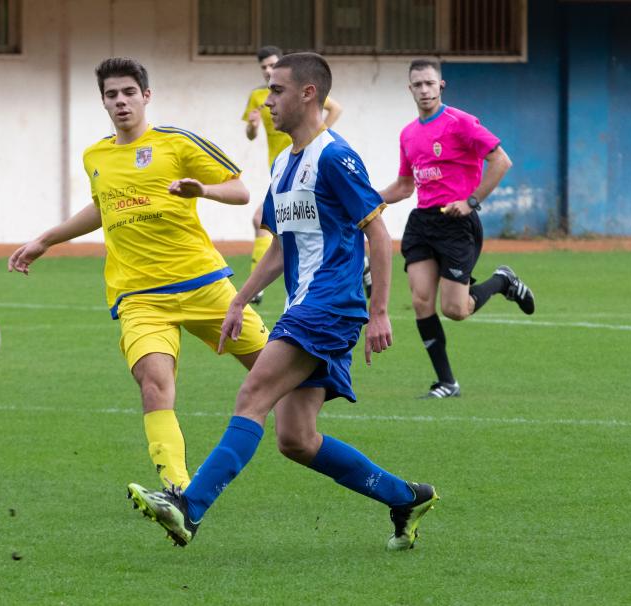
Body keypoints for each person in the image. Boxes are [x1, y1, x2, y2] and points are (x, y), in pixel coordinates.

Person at [128, 52, 438, 551]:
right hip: (305, 305)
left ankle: (190, 507)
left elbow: (378, 233)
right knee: (296, 439)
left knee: (252, 396)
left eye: (276, 90)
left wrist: (379, 310)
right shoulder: (283, 161)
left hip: (331, 303)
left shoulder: (335, 157)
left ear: (308, 94)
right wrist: (240, 300)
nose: (267, 100)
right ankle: (406, 497)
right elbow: (280, 245)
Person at [8, 57, 269, 490]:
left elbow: (240, 191)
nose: (121, 101)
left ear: (146, 96)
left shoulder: (178, 142)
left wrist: (201, 189)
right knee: (153, 384)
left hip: (204, 285)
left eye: (129, 92)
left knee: (275, 371)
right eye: (112, 95)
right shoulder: (96, 155)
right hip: (140, 297)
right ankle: (177, 490)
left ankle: (312, 436)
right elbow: (102, 206)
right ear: (104, 102)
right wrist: (46, 240)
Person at [378, 58, 535, 399]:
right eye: (417, 85)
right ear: (410, 89)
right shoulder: (408, 134)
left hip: (456, 223)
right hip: (422, 221)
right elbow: (404, 187)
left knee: (455, 310)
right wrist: (366, 198)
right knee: (421, 301)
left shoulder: (460, 122)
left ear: (441, 85)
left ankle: (502, 281)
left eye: (429, 84)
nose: (424, 90)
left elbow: (501, 161)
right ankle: (446, 382)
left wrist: (472, 201)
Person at [243, 45, 343, 304]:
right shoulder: (258, 97)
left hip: (306, 163)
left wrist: (315, 138)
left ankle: (259, 288)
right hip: (282, 168)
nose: (267, 70)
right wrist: (253, 125)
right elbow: (251, 135)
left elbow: (336, 109)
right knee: (276, 225)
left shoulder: (298, 88)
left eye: (271, 65)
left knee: (271, 221)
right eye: (263, 67)